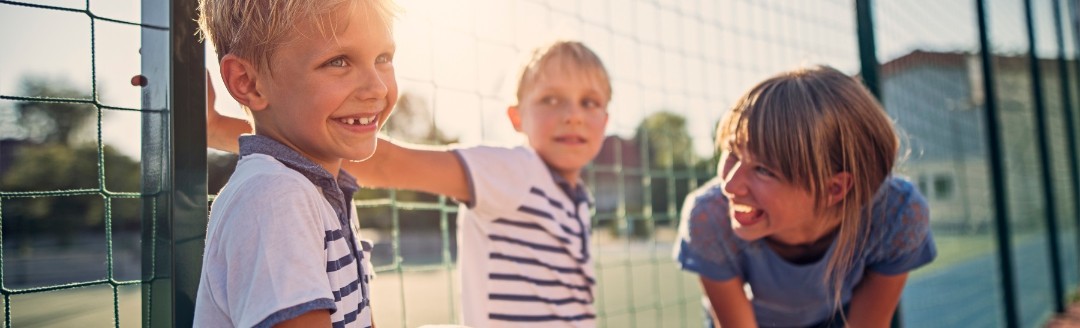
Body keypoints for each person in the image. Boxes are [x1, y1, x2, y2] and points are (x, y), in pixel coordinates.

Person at [206, 40, 611, 327]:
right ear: (516, 117)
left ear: (606, 121)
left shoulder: (577, 200)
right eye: (551, 100)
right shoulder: (512, 171)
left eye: (589, 103)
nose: (573, 115)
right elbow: (384, 160)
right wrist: (219, 128)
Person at [673, 65, 936, 328]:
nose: (730, 186)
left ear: (834, 189)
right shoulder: (710, 216)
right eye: (732, 153)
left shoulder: (897, 214)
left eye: (763, 170)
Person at [193, 0, 398, 326]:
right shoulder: (274, 197)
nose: (378, 87)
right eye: (339, 61)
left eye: (383, 58)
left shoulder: (322, 188)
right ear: (247, 81)